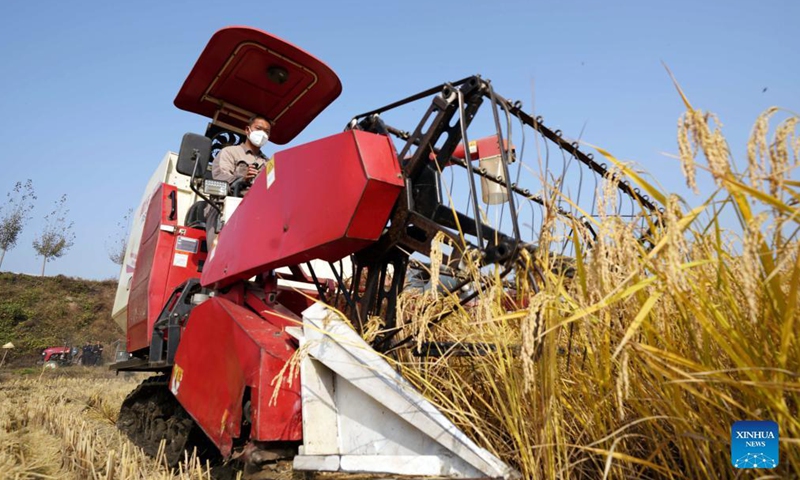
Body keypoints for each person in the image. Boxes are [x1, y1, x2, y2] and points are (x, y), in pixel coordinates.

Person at [205, 115, 272, 247]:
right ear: (248, 130)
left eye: (266, 131)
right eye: (258, 128)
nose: (262, 134)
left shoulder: (268, 163)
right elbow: (221, 177)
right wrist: (242, 179)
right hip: (223, 209)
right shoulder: (229, 152)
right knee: (219, 252)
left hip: (255, 212)